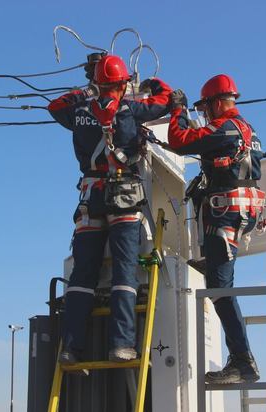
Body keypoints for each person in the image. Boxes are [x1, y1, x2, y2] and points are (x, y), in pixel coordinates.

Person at [48, 54, 172, 364]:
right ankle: (120, 345)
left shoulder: (80, 111)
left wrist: (87, 91)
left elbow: (55, 106)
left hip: (91, 197)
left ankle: (71, 348)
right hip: (124, 196)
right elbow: (166, 100)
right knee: (124, 272)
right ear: (122, 83)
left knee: (82, 276)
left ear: (97, 83)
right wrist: (154, 84)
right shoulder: (132, 110)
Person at [167, 74, 264, 384]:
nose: (205, 114)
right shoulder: (248, 129)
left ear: (217, 102)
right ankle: (213, 264)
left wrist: (177, 112)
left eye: (206, 107)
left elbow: (178, 142)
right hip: (242, 212)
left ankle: (242, 361)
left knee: (220, 288)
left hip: (226, 214)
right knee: (218, 276)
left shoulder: (223, 129)